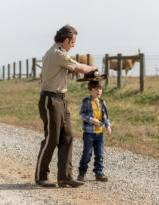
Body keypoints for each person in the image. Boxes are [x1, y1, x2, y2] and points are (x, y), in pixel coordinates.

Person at [35, 25, 98, 188]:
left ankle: (65, 176)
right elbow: (78, 67)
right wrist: (92, 69)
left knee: (67, 136)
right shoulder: (57, 54)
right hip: (50, 100)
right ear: (66, 40)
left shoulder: (57, 54)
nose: (73, 45)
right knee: (52, 138)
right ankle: (41, 176)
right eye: (73, 42)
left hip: (60, 99)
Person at [77, 80, 111, 182]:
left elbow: (105, 116)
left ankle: (99, 173)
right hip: (89, 133)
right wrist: (92, 120)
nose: (99, 91)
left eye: (100, 89)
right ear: (90, 91)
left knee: (99, 154)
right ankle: (81, 173)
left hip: (99, 133)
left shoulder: (102, 102)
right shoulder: (86, 101)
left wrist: (108, 125)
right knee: (87, 154)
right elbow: (82, 114)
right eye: (96, 89)